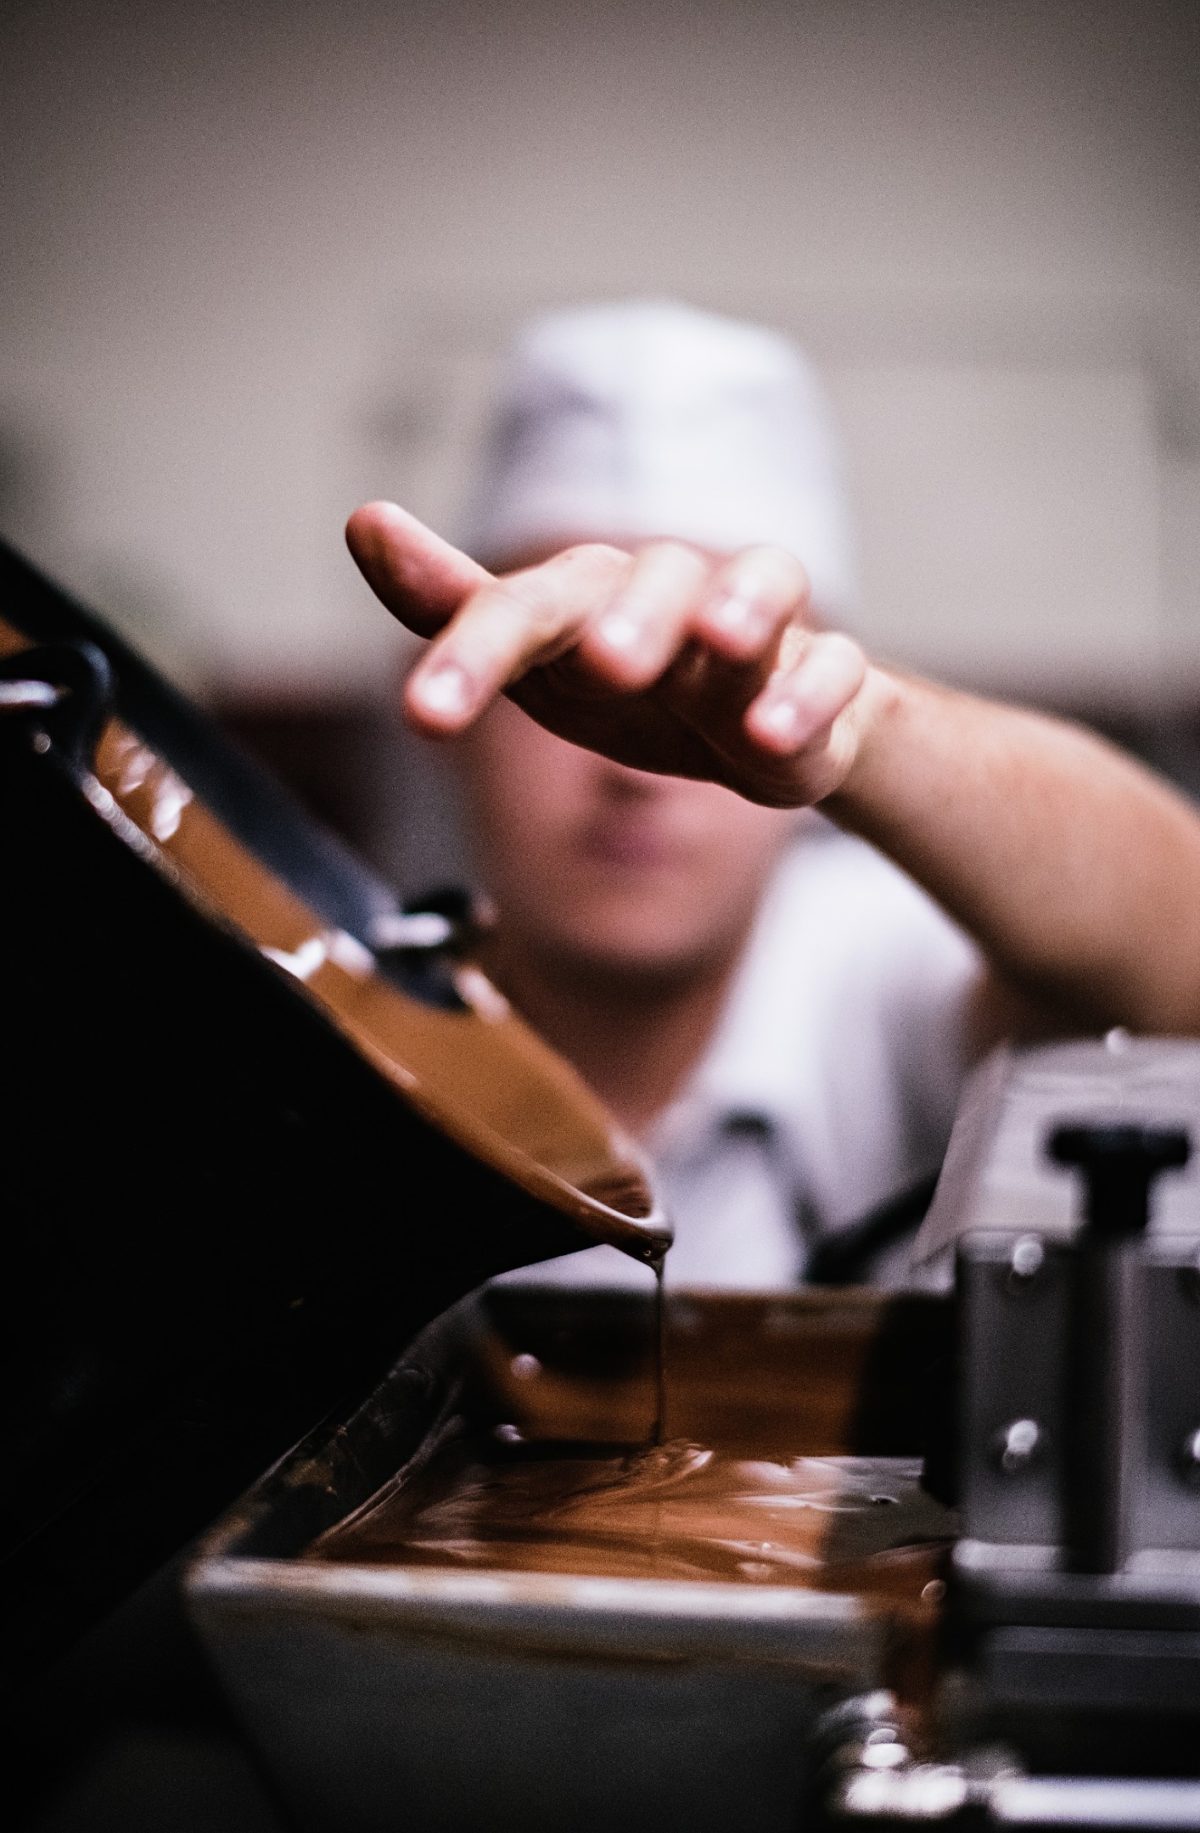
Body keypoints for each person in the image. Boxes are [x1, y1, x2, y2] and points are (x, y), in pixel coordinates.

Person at [349, 299, 1200, 1289]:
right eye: (558, 669)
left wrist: (872, 733)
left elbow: (1174, 967)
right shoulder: (359, 1038)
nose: (634, 769)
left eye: (719, 671)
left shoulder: (877, 975)